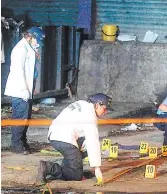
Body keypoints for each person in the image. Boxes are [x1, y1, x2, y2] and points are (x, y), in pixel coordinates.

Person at [37, 93, 114, 183]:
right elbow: (92, 140)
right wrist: (97, 168)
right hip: (64, 138)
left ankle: (68, 167)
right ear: (97, 105)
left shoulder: (82, 103)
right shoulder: (90, 116)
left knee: (85, 148)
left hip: (54, 134)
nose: (105, 112)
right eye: (105, 109)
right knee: (76, 176)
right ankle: (49, 168)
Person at [4, 27, 45, 155]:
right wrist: (23, 90)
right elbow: (18, 71)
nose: (37, 43)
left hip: (27, 88)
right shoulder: (20, 49)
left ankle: (23, 142)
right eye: (36, 40)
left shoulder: (29, 48)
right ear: (30, 37)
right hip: (20, 89)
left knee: (26, 117)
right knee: (20, 117)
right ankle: (16, 145)